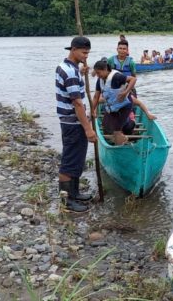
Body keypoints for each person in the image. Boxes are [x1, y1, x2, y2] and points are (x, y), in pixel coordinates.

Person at [55, 36, 96, 213]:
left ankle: (75, 193)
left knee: (78, 159)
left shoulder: (68, 68)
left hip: (71, 120)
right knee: (70, 159)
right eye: (83, 52)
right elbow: (77, 103)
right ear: (73, 50)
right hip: (72, 122)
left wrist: (81, 73)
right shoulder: (70, 72)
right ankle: (66, 201)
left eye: (88, 53)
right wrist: (88, 129)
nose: (86, 56)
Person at [92, 59, 136, 145]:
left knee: (117, 131)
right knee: (105, 124)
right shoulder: (100, 80)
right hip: (112, 107)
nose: (97, 75)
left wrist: (126, 92)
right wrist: (92, 110)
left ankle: (122, 144)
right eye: (96, 73)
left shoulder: (116, 76)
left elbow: (133, 79)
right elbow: (96, 97)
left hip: (124, 106)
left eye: (98, 73)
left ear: (105, 70)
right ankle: (121, 139)